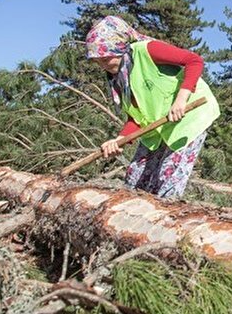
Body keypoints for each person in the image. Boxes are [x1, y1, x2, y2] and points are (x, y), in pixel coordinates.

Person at [84, 15, 220, 199]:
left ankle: (166, 214)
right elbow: (137, 117)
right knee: (134, 179)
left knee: (167, 179)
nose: (103, 66)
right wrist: (120, 139)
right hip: (158, 128)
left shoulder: (147, 50)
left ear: (120, 48)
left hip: (189, 117)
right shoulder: (119, 79)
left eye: (106, 59)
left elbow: (194, 61)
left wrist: (181, 99)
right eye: (98, 61)